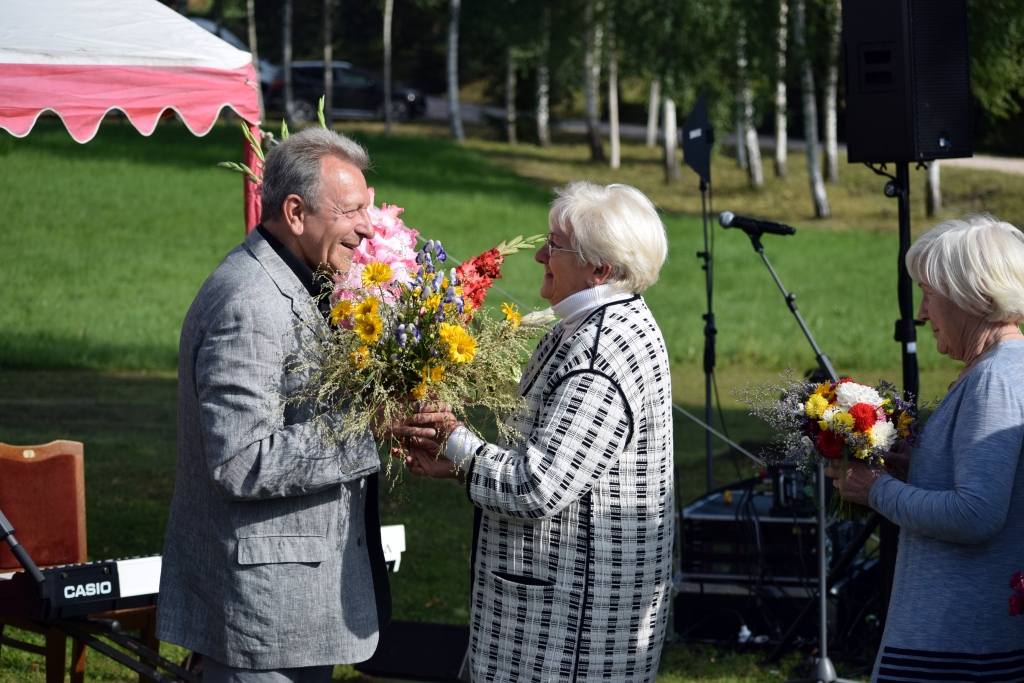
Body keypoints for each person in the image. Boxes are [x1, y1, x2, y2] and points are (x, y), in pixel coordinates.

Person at [157, 128, 443, 683]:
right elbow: (240, 460)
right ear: (295, 211)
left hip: (294, 611)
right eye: (353, 211)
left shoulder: (301, 281)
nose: (366, 227)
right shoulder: (250, 302)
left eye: (369, 209)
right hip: (263, 619)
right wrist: (368, 427)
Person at [405, 181, 675, 683]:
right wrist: (458, 466)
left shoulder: (600, 354)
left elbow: (537, 486)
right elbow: (557, 462)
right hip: (565, 621)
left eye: (555, 246)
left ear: (601, 268)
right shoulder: (591, 326)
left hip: (571, 637)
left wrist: (454, 439)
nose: (540, 256)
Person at [826, 214, 1024, 681]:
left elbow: (976, 514)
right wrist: (917, 465)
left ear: (973, 296)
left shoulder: (994, 379)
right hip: (964, 638)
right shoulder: (999, 369)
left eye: (930, 295)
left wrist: (874, 489)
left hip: (955, 646)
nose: (920, 313)